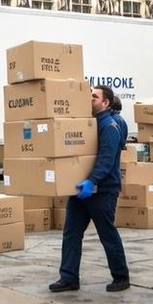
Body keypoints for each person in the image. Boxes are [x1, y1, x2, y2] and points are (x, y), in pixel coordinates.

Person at [50, 85, 130, 293]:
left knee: (107, 234)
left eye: (94, 97)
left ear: (106, 103)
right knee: (71, 233)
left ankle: (121, 277)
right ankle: (68, 278)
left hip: (102, 190)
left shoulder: (109, 126)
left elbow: (106, 158)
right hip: (80, 190)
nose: (89, 99)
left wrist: (92, 180)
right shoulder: (86, 124)